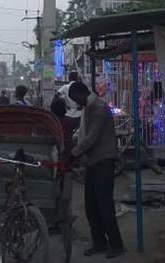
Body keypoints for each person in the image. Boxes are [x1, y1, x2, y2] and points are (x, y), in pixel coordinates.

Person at [68, 81, 124, 258]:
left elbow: (92, 137)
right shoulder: (89, 107)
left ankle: (116, 245)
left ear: (81, 94)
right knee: (91, 206)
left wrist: (73, 153)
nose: (76, 103)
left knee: (104, 205)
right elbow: (84, 133)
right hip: (93, 162)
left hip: (103, 161)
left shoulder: (98, 107)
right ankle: (99, 242)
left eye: (76, 99)